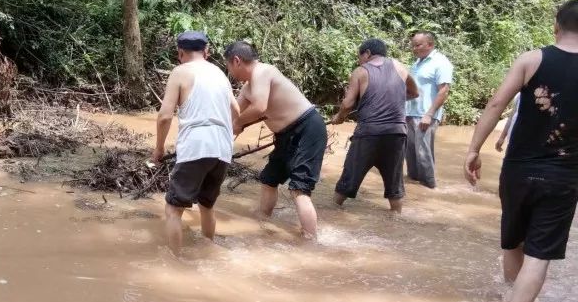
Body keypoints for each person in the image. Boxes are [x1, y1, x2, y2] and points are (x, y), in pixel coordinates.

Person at [464, 0, 578, 302]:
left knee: (513, 241)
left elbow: (496, 103)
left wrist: (474, 149)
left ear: (556, 26)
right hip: (564, 176)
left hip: (518, 171)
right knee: (539, 254)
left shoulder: (531, 59)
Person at [225, 41, 328, 241]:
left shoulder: (263, 71)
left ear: (236, 61)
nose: (230, 72)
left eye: (228, 66)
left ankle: (311, 240)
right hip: (285, 135)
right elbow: (231, 118)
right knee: (269, 178)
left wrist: (238, 123)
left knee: (299, 188)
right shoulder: (248, 88)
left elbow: (260, 107)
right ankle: (262, 221)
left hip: (307, 128)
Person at [151, 31, 239, 255]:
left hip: (196, 146)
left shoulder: (180, 72)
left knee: (173, 209)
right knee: (207, 207)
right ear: (206, 52)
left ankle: (175, 260)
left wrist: (159, 149)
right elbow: (236, 111)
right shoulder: (220, 73)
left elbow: (164, 116)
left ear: (180, 52)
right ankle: (208, 250)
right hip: (222, 148)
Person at [332, 38, 419, 213]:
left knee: (348, 179)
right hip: (397, 133)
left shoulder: (360, 71)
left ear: (368, 53)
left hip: (368, 133)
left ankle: (331, 213)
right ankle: (396, 219)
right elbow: (414, 92)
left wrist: (339, 117)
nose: (359, 61)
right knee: (394, 184)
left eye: (360, 56)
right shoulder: (399, 66)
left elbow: (348, 104)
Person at [405, 31, 454, 188]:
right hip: (410, 113)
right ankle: (414, 188)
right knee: (410, 155)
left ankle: (430, 187)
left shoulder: (441, 62)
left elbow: (444, 90)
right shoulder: (417, 63)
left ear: (430, 45)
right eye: (413, 45)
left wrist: (429, 114)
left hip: (425, 115)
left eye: (418, 45)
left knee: (423, 154)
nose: (414, 48)